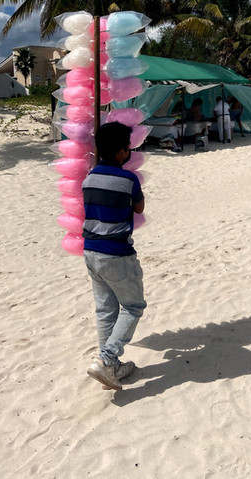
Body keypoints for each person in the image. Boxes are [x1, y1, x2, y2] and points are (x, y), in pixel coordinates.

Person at [83, 121, 146, 390]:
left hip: (91, 252)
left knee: (106, 310)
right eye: (128, 147)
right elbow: (139, 208)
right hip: (117, 254)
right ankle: (106, 359)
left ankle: (111, 369)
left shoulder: (89, 177)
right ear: (121, 152)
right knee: (133, 306)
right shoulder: (128, 179)